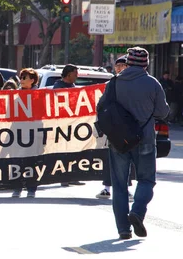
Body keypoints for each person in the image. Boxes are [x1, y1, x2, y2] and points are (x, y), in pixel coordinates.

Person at [97, 47, 169, 240]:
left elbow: (101, 108)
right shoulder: (152, 83)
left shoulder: (114, 82)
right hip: (144, 139)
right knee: (146, 180)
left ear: (128, 62)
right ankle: (137, 212)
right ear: (145, 63)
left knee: (119, 185)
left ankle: (123, 229)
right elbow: (163, 112)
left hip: (118, 141)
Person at [97, 55, 135, 200]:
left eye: (123, 65)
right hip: (115, 127)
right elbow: (102, 104)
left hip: (130, 127)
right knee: (112, 159)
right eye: (117, 66)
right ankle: (107, 188)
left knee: (128, 159)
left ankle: (126, 189)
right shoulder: (112, 83)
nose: (119, 68)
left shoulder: (134, 83)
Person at [53, 64, 84, 187]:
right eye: (75, 73)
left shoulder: (73, 86)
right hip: (62, 126)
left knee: (73, 151)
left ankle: (72, 176)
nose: (77, 76)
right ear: (69, 74)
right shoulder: (58, 86)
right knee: (63, 151)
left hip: (73, 125)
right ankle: (63, 176)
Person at [12, 68, 40, 198]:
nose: (21, 80)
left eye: (25, 78)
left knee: (31, 161)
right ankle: (17, 188)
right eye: (21, 78)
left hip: (34, 133)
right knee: (18, 161)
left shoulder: (39, 96)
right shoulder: (15, 96)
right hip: (17, 133)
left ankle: (31, 188)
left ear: (32, 81)